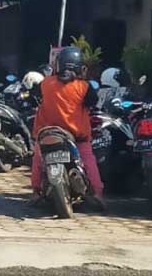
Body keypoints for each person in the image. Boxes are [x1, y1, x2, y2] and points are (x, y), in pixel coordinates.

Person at [28, 46, 105, 209]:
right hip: (77, 136)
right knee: (88, 159)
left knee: (38, 158)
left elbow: (33, 98)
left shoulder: (45, 83)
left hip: (46, 133)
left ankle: (35, 192)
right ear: (80, 67)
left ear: (58, 65)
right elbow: (93, 102)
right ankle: (97, 193)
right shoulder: (84, 87)